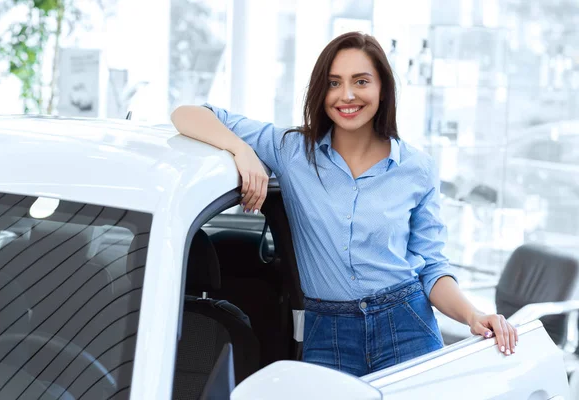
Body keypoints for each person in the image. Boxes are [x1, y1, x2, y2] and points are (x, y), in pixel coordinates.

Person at [170, 31, 517, 377]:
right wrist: (242, 150)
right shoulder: (290, 150)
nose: (346, 95)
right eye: (334, 83)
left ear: (383, 88)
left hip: (406, 324)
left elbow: (432, 268)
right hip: (328, 332)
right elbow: (187, 114)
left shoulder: (417, 168)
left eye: (361, 81)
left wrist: (473, 315)